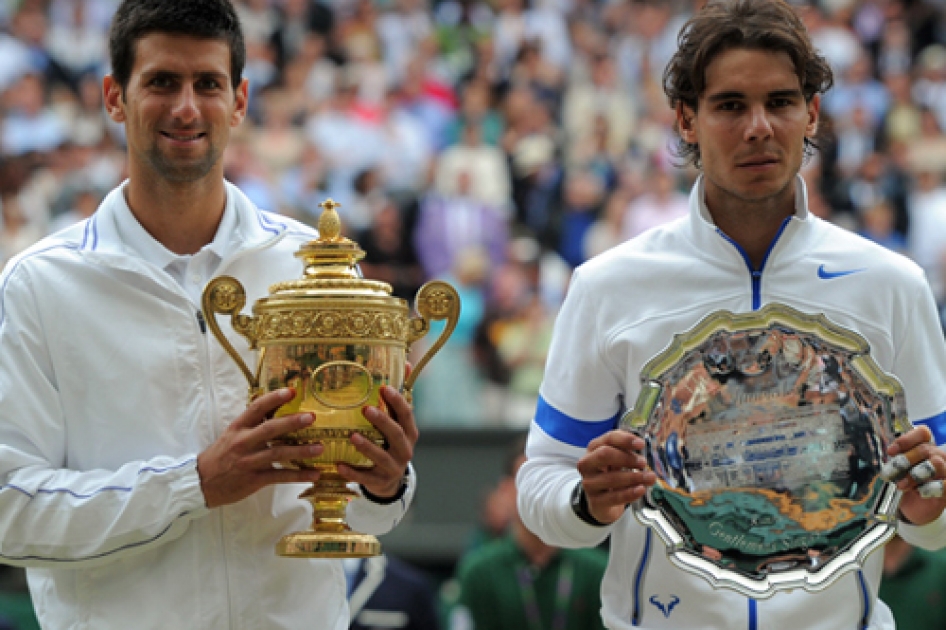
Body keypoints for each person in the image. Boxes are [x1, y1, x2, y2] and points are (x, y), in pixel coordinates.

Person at [516, 1, 946, 629]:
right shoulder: (609, 285)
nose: (758, 128)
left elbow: (934, 517)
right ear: (686, 119)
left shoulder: (892, 286)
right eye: (729, 106)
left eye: (779, 102)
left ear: (812, 112)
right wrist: (587, 502)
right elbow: (540, 489)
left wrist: (928, 501)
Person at [0, 1, 418, 628]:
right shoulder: (38, 285)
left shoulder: (316, 269)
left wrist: (386, 484)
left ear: (241, 101)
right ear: (114, 97)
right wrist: (193, 484)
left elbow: (365, 513)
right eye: (161, 82)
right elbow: (10, 511)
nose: (187, 108)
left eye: (208, 84)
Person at [453, 438, 608, 630]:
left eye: (549, 483)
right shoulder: (479, 573)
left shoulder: (597, 571)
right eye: (529, 483)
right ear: (505, 491)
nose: (540, 495)